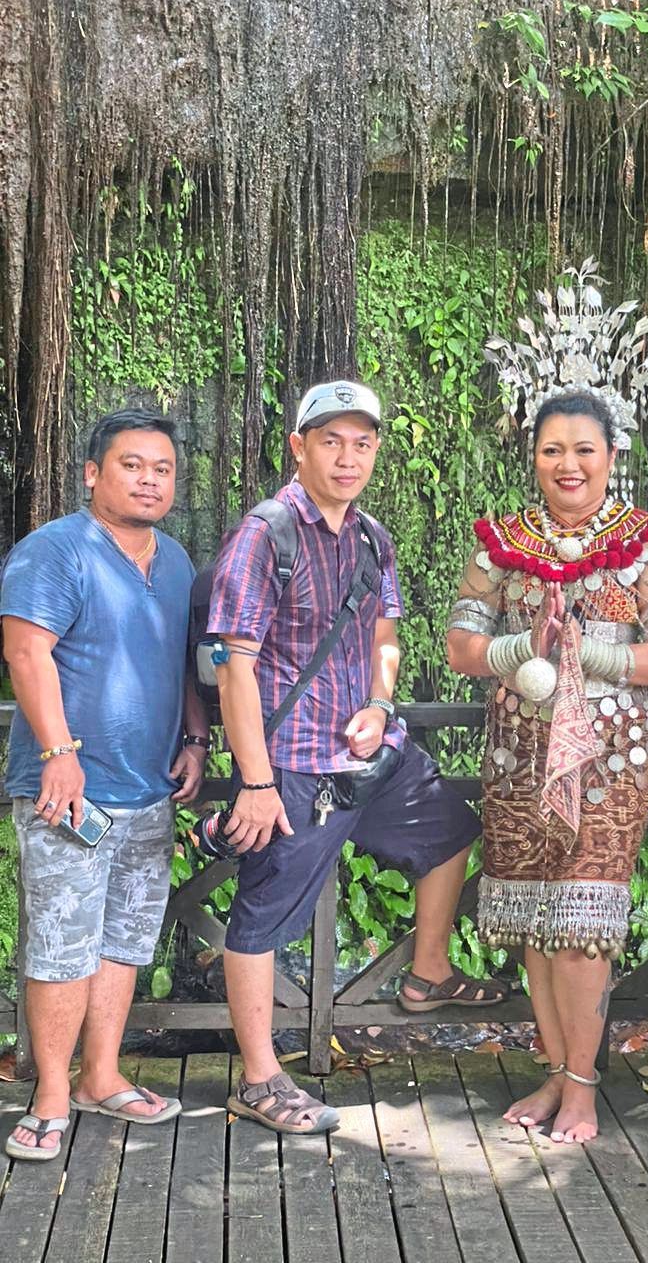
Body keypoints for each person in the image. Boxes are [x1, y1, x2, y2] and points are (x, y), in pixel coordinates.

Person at [207, 378, 506, 1135]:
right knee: (262, 920)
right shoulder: (265, 536)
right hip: (296, 767)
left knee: (452, 830)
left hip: (371, 757)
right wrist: (254, 779)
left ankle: (428, 971)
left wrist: (379, 703)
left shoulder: (373, 537)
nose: (348, 457)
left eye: (362, 443)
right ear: (299, 447)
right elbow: (234, 664)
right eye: (331, 441)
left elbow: (384, 635)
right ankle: (260, 1078)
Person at [448, 265, 648, 1144]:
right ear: (535, 456)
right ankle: (555, 1077)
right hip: (516, 751)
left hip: (612, 758)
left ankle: (585, 1088)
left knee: (584, 923)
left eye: (584, 449)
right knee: (535, 921)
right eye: (553, 449)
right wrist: (517, 654)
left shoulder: (647, 544)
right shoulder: (501, 542)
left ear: (612, 457)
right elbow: (459, 645)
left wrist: (582, 654)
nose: (568, 464)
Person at [1, 408, 208, 1160]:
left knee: (124, 941)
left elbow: (187, 660)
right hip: (69, 795)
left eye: (162, 468)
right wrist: (60, 749)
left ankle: (101, 1076)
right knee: (61, 946)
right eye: (132, 465)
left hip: (150, 789)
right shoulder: (54, 552)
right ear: (93, 473)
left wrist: (193, 735)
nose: (150, 479)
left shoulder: (178, 561)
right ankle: (50, 1096)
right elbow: (27, 653)